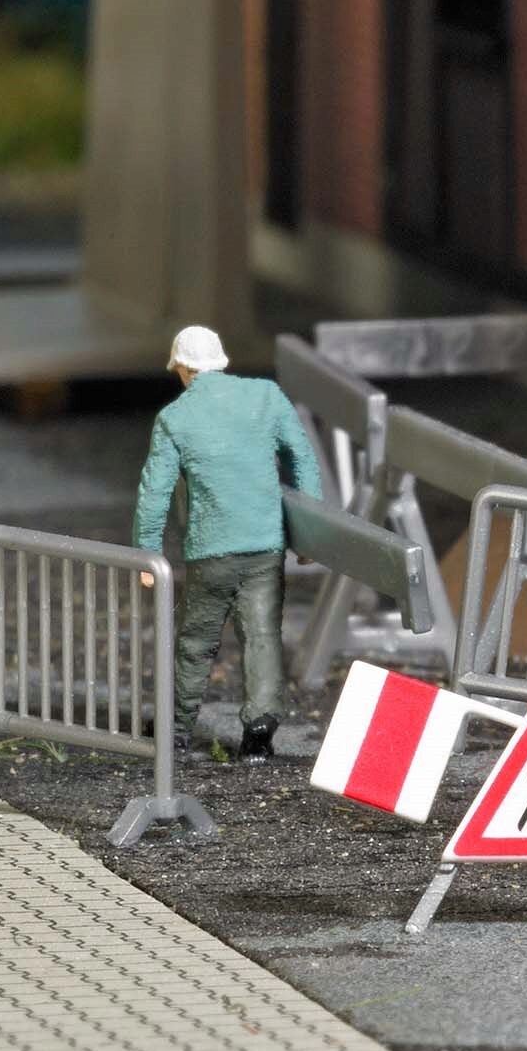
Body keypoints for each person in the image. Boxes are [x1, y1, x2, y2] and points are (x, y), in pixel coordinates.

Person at [132, 324, 322, 759]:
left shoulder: (174, 418)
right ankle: (259, 733)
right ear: (221, 361)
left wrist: (148, 553)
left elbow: (154, 491)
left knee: (195, 642)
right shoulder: (266, 396)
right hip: (264, 546)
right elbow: (302, 457)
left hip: (210, 551)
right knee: (262, 637)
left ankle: (175, 729)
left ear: (183, 368)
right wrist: (310, 536)